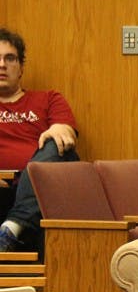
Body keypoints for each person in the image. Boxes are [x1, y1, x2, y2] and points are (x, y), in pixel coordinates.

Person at [0, 27, 79, 253]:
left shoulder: (47, 99)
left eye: (10, 58)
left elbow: (66, 133)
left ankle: (12, 226)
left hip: (41, 188)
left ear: (21, 67)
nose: (2, 65)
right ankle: (15, 227)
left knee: (59, 146)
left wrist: (56, 131)